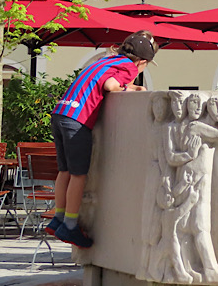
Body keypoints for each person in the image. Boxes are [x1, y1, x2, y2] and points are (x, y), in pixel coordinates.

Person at [47, 30, 158, 248]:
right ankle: (70, 225)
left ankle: (58, 218)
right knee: (79, 175)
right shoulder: (129, 67)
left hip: (61, 113)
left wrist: (130, 87)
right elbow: (110, 86)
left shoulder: (106, 61)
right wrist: (129, 89)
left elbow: (104, 80)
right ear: (142, 62)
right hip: (77, 119)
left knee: (64, 171)